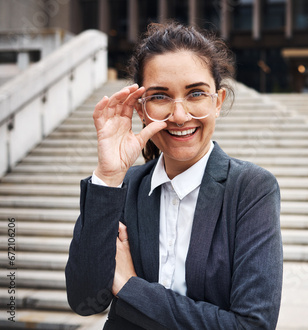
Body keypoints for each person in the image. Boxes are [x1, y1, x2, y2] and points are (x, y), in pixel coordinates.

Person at [65, 21, 283, 329]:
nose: (179, 115)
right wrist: (108, 176)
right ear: (141, 109)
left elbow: (252, 325)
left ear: (217, 102)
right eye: (160, 96)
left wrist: (130, 287)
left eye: (195, 93)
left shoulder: (250, 189)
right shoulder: (123, 187)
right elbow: (85, 299)